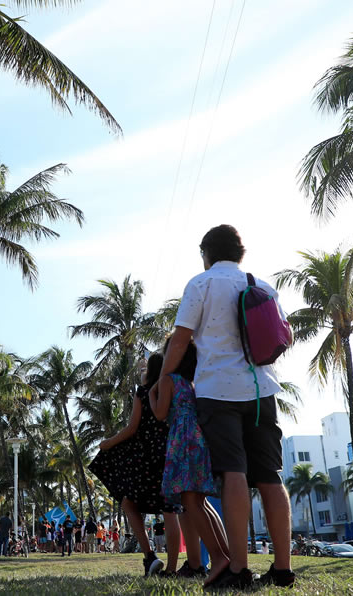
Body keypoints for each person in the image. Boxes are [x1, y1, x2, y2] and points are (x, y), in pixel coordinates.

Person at [155, 225, 295, 589]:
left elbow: (180, 340)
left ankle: (238, 568)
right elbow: (286, 334)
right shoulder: (261, 285)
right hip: (262, 390)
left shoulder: (201, 284)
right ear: (239, 252)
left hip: (218, 391)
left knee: (233, 472)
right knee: (270, 476)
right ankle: (282, 569)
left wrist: (162, 378)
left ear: (206, 253)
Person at [89, 353, 183, 576]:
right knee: (170, 510)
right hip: (171, 452)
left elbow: (132, 428)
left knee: (129, 502)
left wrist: (108, 443)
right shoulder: (174, 389)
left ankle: (149, 556)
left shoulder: (143, 392)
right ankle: (171, 568)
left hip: (146, 457)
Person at [151, 334, 230, 588]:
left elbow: (160, 414)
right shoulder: (191, 383)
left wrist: (152, 393)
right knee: (200, 501)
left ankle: (218, 558)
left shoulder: (168, 380)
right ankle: (225, 555)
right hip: (198, 439)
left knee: (189, 500)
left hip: (181, 439)